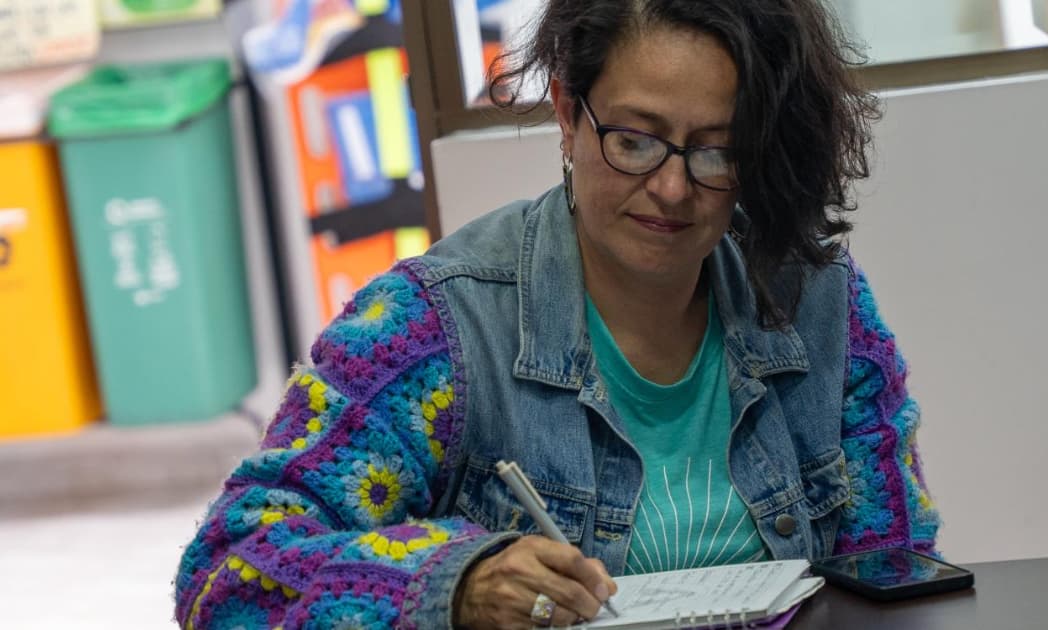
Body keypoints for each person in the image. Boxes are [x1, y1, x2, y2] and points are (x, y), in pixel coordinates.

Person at [174, 1, 940, 628]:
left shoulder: (817, 301)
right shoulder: (433, 329)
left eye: (715, 150)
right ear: (569, 114)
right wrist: (456, 584)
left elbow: (890, 574)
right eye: (635, 141)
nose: (673, 189)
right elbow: (231, 570)